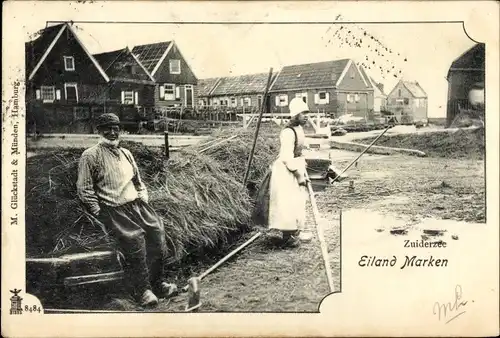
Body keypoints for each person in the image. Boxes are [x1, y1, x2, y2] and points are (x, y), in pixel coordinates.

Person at [76, 113, 177, 307]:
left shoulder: (126, 154)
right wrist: (99, 212)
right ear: (98, 131)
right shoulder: (90, 156)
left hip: (136, 206)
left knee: (156, 232)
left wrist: (143, 200)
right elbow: (85, 189)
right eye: (107, 128)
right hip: (114, 209)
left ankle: (158, 284)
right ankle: (143, 291)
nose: (112, 132)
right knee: (134, 240)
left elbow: (138, 183)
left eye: (115, 128)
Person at [253, 97, 313, 247]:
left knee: (298, 201)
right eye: (303, 113)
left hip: (296, 165)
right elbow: (286, 157)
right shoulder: (288, 132)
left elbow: (297, 149)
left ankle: (294, 232)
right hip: (286, 171)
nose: (306, 116)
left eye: (307, 113)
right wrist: (298, 174)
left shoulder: (299, 129)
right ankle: (287, 236)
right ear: (295, 115)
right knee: (287, 203)